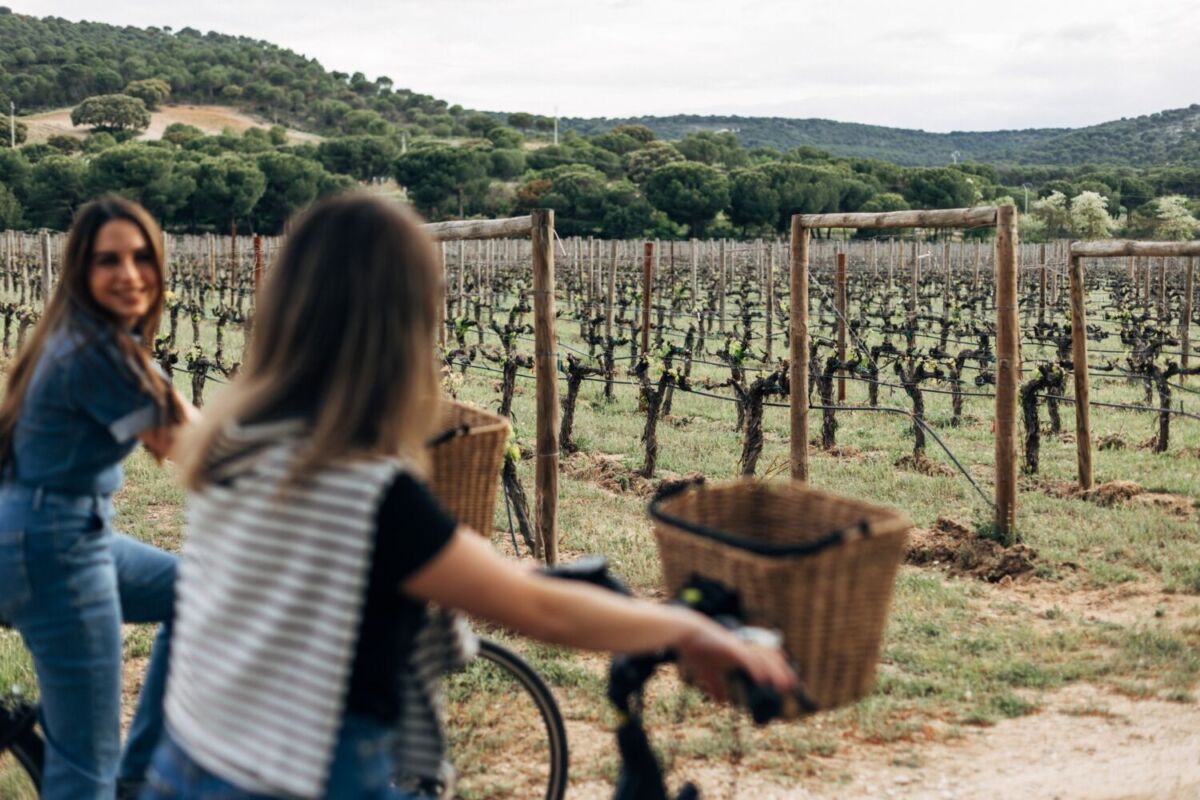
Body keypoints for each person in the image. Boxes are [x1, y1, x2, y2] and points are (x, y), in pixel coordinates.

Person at [144, 193, 797, 800]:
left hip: (191, 756)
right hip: (305, 774)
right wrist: (691, 628)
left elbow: (422, 566)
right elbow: (540, 612)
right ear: (403, 325)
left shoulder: (236, 441)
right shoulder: (364, 488)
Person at [0, 195, 196, 799]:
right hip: (54, 546)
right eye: (109, 260)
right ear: (81, 272)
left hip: (50, 533)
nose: (130, 273)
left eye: (142, 256)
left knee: (198, 591)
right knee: (83, 768)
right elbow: (197, 446)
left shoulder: (82, 336)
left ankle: (136, 779)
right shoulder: (100, 355)